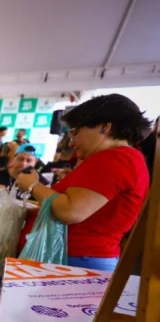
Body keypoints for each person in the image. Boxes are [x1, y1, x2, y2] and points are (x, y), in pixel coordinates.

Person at [14, 94, 151, 271]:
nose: (72, 142)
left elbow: (71, 211)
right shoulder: (120, 158)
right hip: (77, 260)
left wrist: (33, 186)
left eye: (76, 132)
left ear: (105, 127)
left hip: (78, 262)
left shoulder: (116, 158)